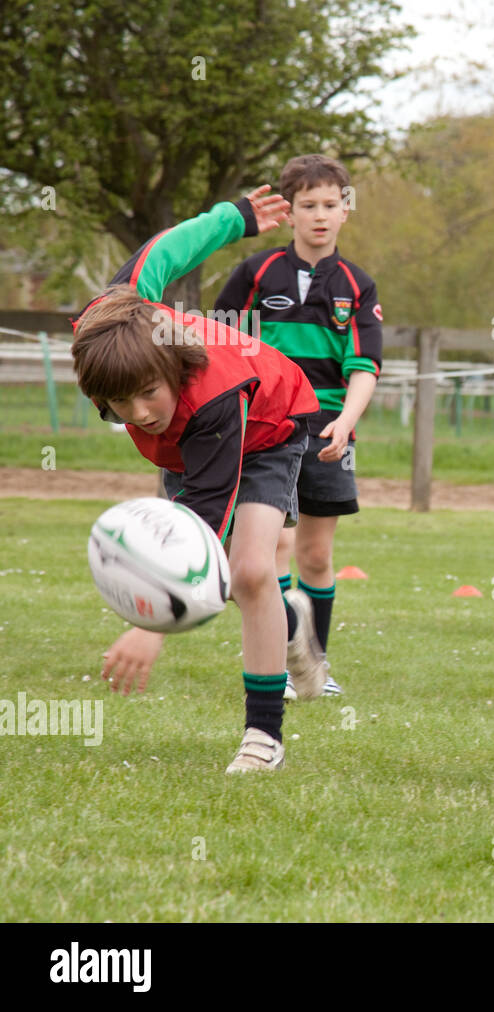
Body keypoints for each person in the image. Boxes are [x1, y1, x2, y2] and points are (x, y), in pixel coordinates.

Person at [72, 188, 320, 772]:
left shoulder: (210, 397)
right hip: (189, 450)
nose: (136, 413)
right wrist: (233, 217)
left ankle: (264, 739)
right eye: (117, 402)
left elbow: (199, 535)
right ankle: (291, 626)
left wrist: (151, 623)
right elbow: (164, 249)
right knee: (242, 581)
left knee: (251, 571)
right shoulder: (108, 323)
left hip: (269, 425)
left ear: (170, 368)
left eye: (147, 394)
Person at [216, 155, 382, 700]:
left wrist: (346, 422)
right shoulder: (256, 275)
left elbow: (364, 367)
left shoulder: (358, 285)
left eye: (330, 205)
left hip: (330, 431)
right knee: (276, 547)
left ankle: (319, 663)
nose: (320, 215)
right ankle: (286, 664)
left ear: (345, 212)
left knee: (315, 554)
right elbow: (225, 348)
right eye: (308, 205)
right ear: (289, 213)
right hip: (269, 429)